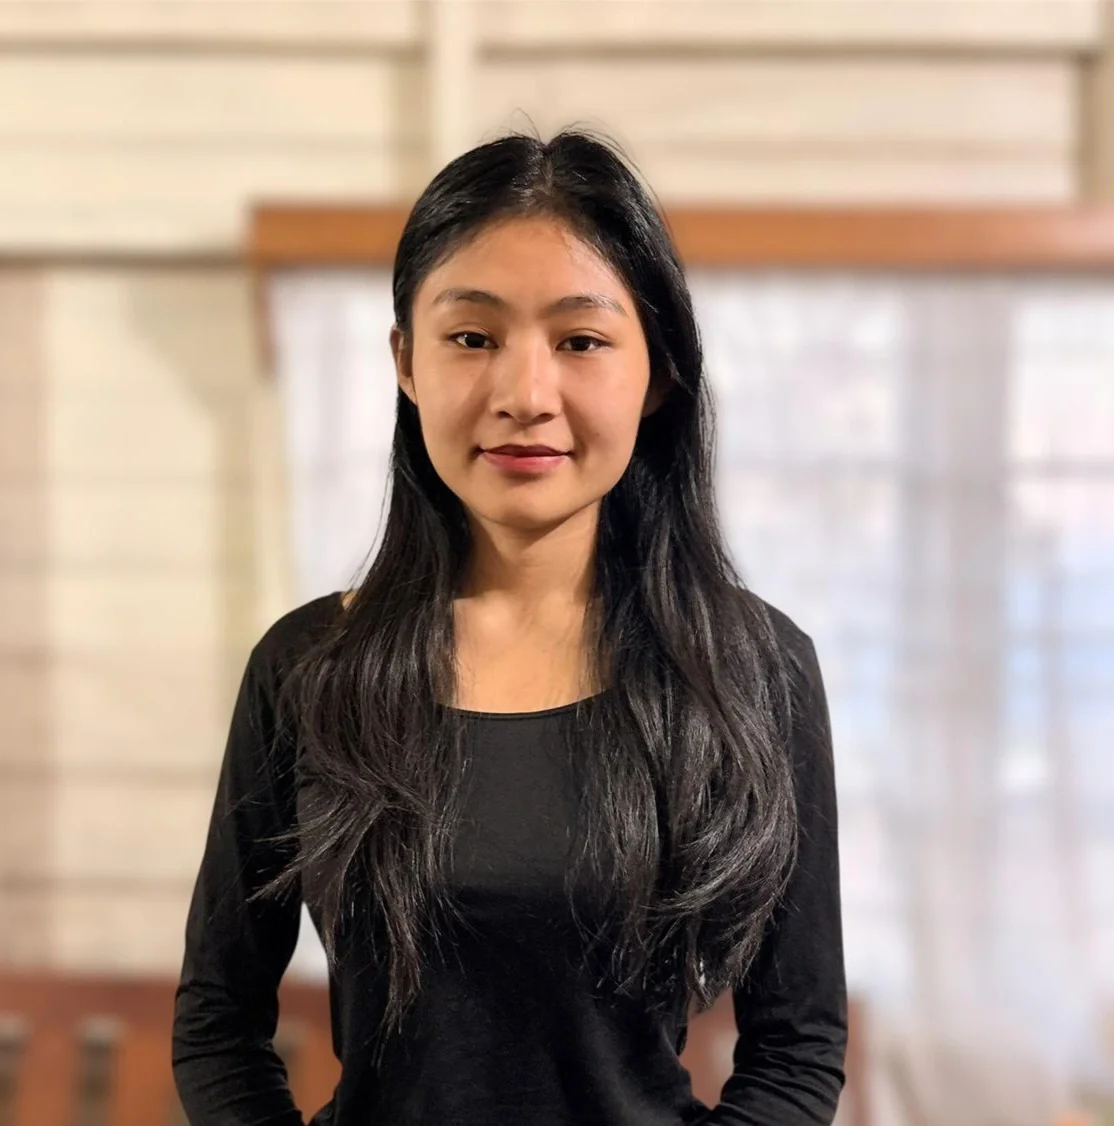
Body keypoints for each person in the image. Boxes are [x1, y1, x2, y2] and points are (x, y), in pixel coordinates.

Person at [171, 127, 847, 1126]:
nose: (525, 396)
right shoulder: (309, 669)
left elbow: (797, 1048)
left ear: (657, 373)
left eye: (580, 341)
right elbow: (218, 1021)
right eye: (472, 337)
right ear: (406, 362)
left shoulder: (752, 669)